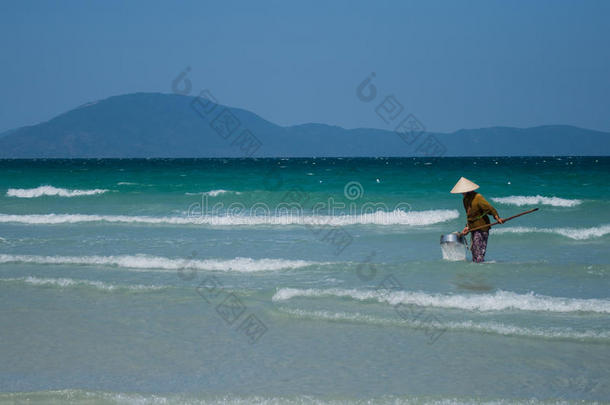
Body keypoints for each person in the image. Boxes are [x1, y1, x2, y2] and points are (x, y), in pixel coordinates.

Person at [450, 177, 504, 263]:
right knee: (474, 252)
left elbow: (490, 209)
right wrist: (467, 227)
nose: (461, 193)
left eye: (463, 191)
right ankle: (477, 272)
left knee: (479, 251)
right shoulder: (465, 200)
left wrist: (497, 218)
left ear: (468, 190)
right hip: (473, 228)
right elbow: (469, 215)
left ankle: (481, 270)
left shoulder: (478, 197)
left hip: (482, 227)